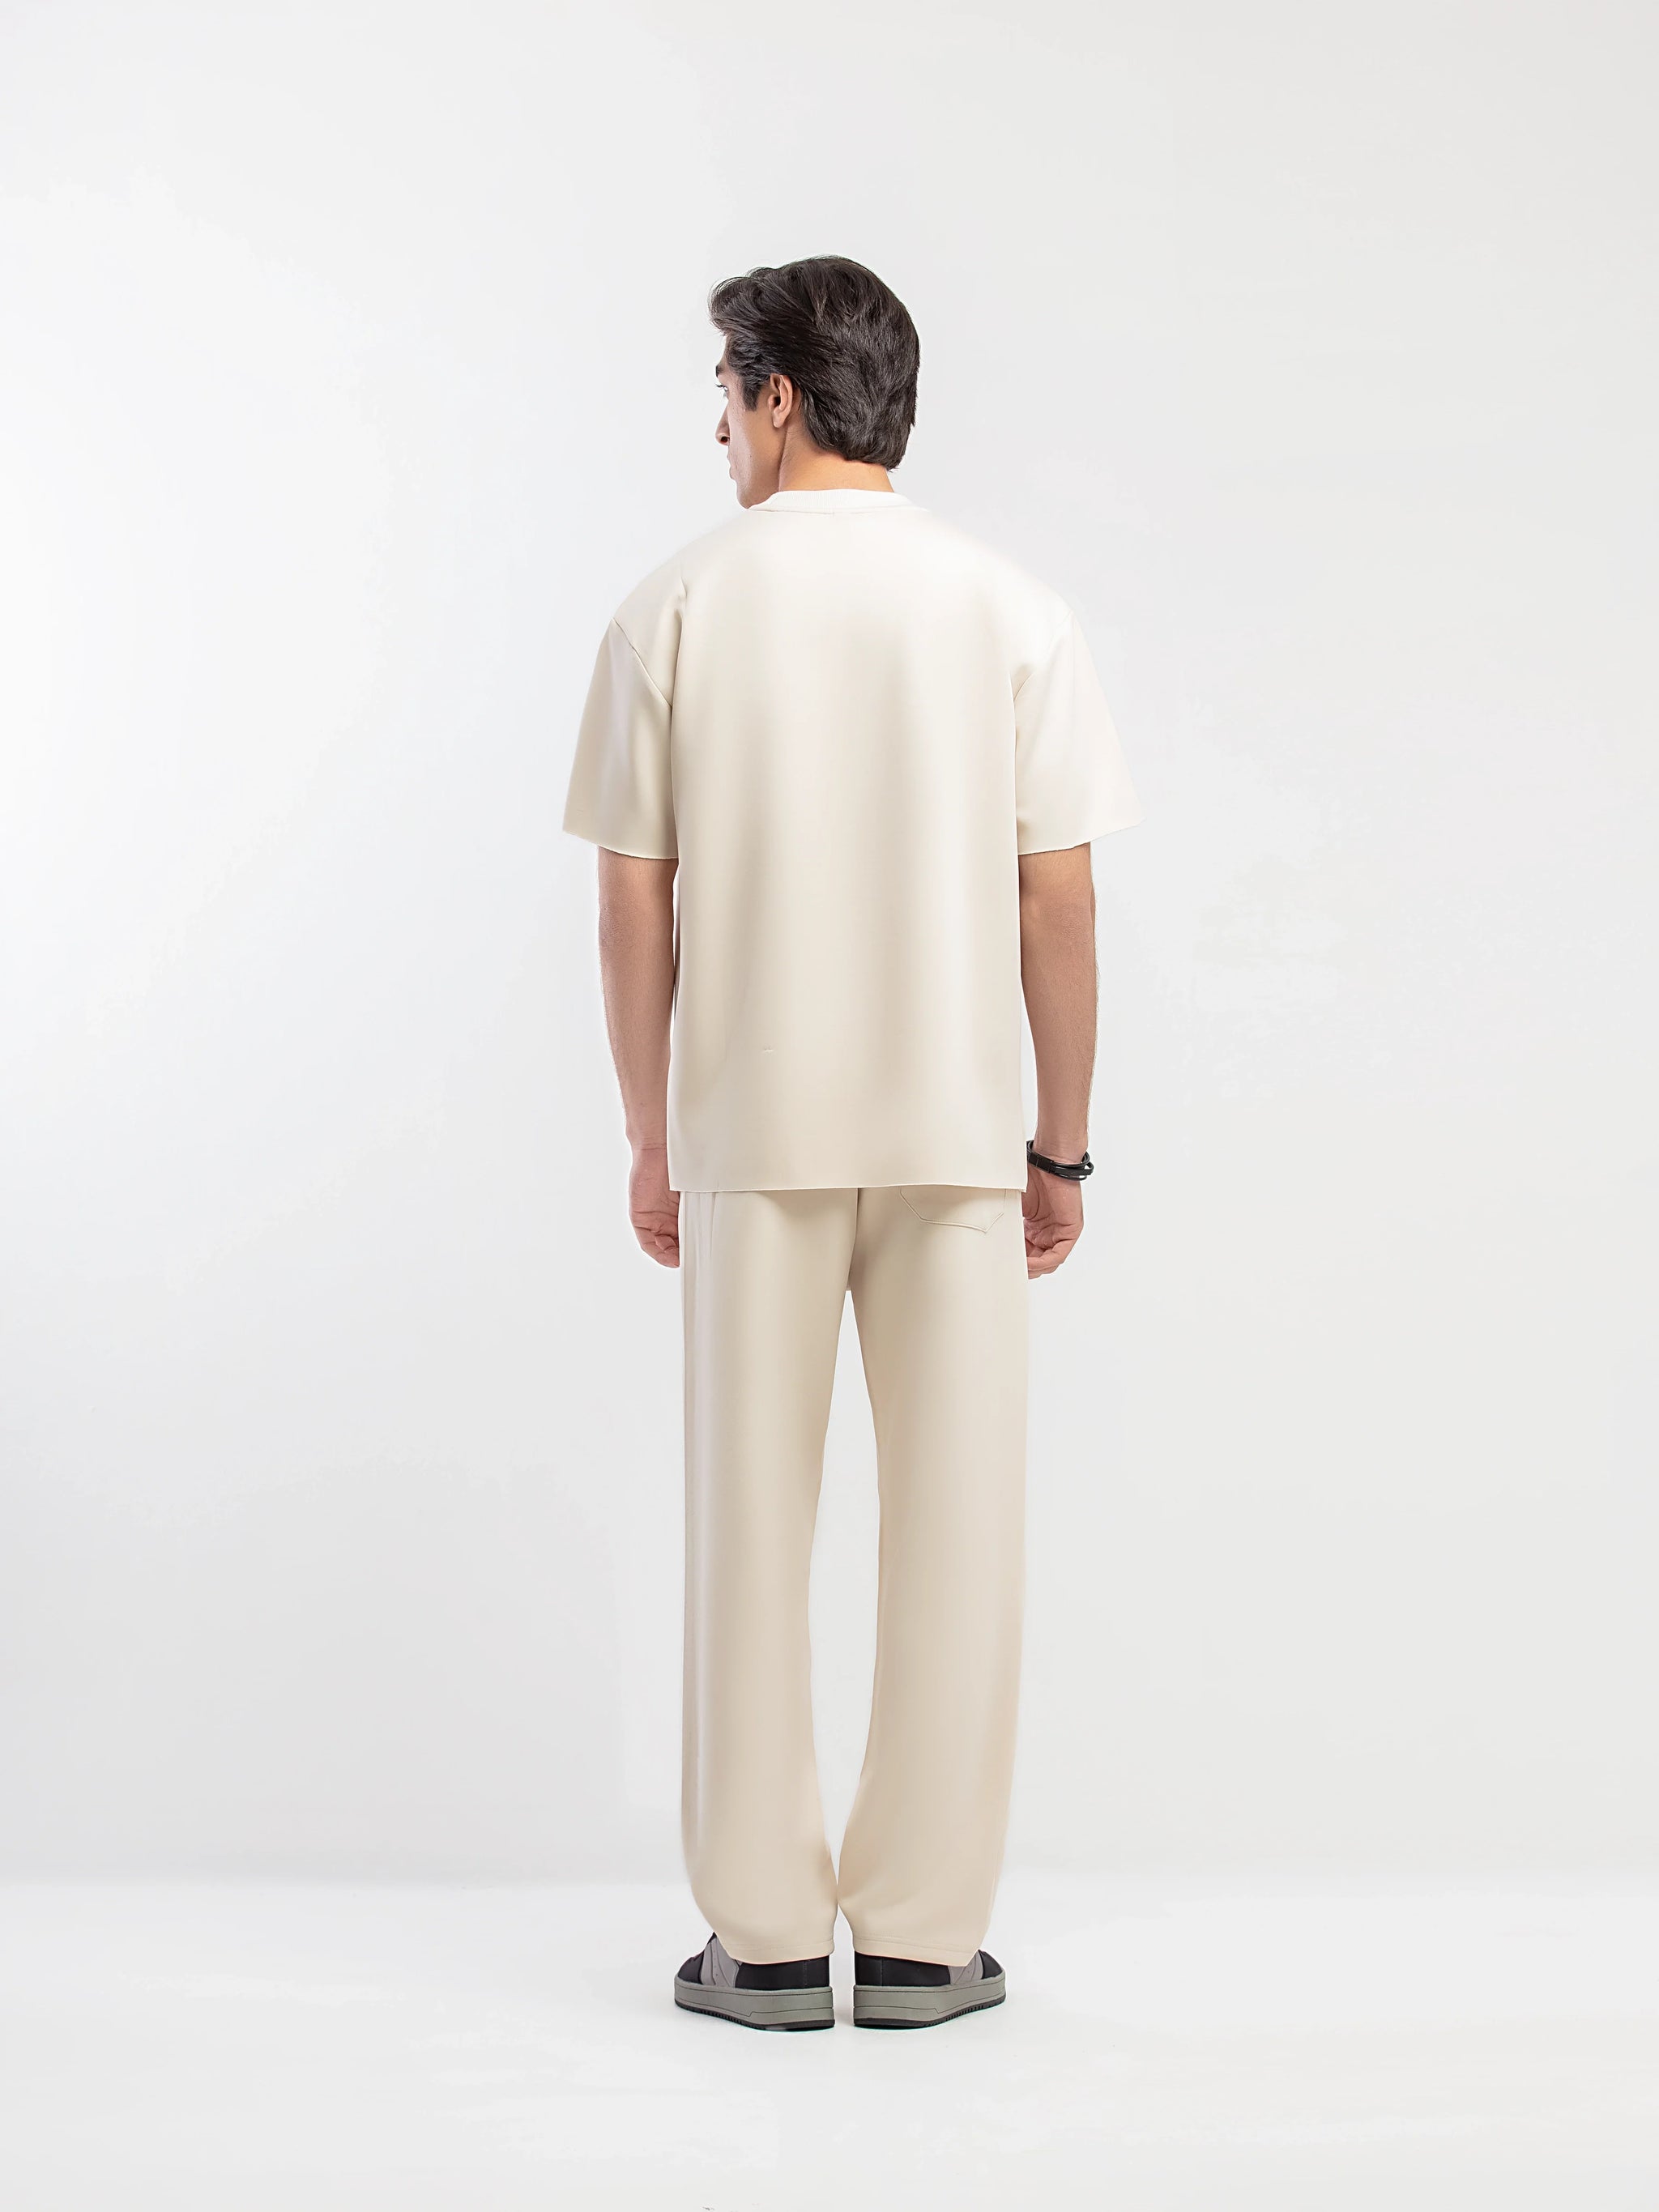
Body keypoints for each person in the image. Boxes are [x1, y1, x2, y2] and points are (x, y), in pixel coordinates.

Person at [563, 256, 1141, 2031]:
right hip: (958, 1138)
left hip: (754, 1132)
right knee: (958, 1533)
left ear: (779, 395)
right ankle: (915, 1937)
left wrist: (649, 1138)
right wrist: (1060, 1151)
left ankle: (757, 1938)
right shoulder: (1011, 607)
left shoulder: (676, 604)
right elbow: (1059, 902)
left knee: (747, 1530)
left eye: (723, 395)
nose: (716, 431)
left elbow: (634, 904)